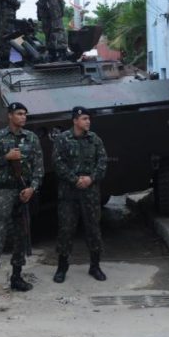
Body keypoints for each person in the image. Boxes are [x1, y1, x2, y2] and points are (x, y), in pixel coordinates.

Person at [0, 102, 44, 298]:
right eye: (19, 114)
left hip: (23, 193)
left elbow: (39, 168)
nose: (23, 117)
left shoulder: (31, 138)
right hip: (4, 193)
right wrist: (5, 157)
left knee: (21, 237)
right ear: (10, 116)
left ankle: (17, 277)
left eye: (25, 114)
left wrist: (32, 188)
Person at [51, 106, 108, 283]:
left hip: (90, 193)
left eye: (88, 119)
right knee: (66, 229)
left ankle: (95, 266)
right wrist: (75, 179)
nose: (88, 121)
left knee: (93, 229)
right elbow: (57, 163)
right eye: (84, 119)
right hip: (69, 193)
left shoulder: (95, 140)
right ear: (75, 121)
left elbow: (103, 162)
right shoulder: (62, 139)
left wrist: (91, 179)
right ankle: (62, 267)